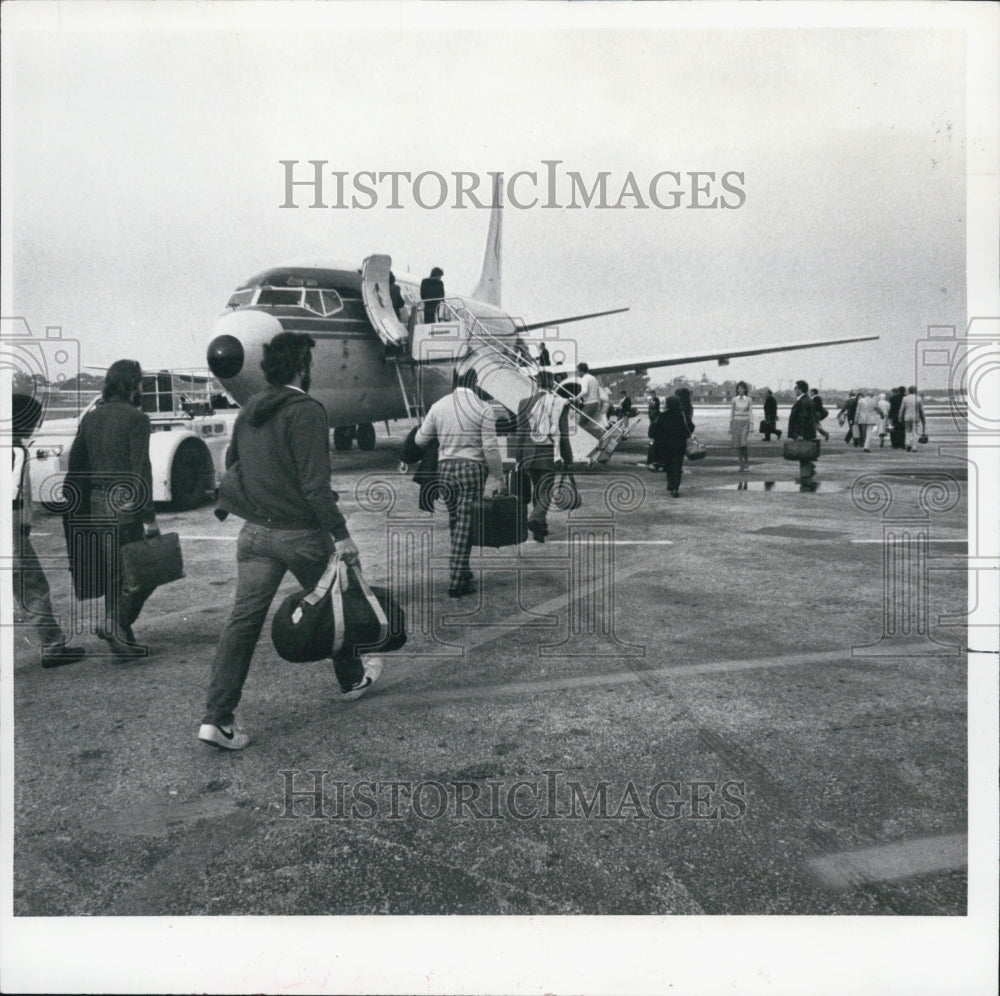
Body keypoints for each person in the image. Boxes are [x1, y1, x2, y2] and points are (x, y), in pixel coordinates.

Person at [202, 332, 376, 751]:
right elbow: (315, 486)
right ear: (302, 367)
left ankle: (216, 718)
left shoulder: (249, 411)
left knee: (242, 624)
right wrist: (341, 535)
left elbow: (234, 465)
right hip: (300, 534)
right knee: (340, 597)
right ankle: (351, 678)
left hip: (255, 535)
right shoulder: (306, 410)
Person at [67, 359, 160, 659]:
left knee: (114, 575)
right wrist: (149, 517)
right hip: (124, 503)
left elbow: (76, 464)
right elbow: (139, 470)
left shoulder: (91, 418)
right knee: (144, 574)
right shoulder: (136, 418)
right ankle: (115, 624)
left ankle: (123, 640)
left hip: (95, 503)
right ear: (131, 384)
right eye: (140, 381)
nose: (142, 387)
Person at [414, 366, 505, 597]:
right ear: (476, 384)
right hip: (471, 469)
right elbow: (491, 448)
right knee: (465, 524)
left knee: (456, 522)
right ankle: (456, 581)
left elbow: (420, 440)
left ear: (453, 382)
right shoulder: (483, 408)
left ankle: (463, 571)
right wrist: (499, 477)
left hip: (444, 470)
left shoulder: (439, 405)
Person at [11, 394, 87, 668]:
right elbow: (15, 497)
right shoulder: (14, 450)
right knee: (32, 586)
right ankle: (53, 646)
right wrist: (24, 525)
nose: (35, 426)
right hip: (10, 531)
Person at [510, 371, 573, 543]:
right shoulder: (559, 403)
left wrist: (518, 456)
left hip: (528, 455)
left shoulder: (524, 403)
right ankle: (535, 519)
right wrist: (568, 458)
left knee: (538, 488)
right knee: (545, 490)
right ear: (553, 384)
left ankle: (540, 530)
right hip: (548, 454)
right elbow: (564, 433)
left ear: (536, 383)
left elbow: (520, 432)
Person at [648, 396, 692, 498]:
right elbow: (689, 429)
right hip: (679, 446)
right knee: (677, 466)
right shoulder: (681, 416)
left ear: (668, 404)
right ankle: (675, 487)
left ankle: (671, 486)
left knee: (669, 466)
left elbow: (653, 432)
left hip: (665, 447)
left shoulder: (663, 416)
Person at [787, 379, 819, 487]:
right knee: (805, 454)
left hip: (803, 433)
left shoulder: (803, 401)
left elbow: (803, 419)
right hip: (808, 432)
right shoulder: (808, 400)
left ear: (800, 389)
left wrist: (800, 434)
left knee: (803, 455)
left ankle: (805, 477)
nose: (794, 390)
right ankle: (808, 472)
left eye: (795, 388)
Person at [729, 380, 753, 471]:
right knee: (737, 444)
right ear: (737, 390)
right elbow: (731, 413)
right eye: (739, 388)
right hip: (736, 422)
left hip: (745, 422)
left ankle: (746, 460)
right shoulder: (734, 400)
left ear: (745, 390)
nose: (740, 390)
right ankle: (741, 464)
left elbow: (751, 413)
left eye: (742, 388)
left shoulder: (749, 400)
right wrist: (730, 426)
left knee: (743, 443)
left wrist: (751, 425)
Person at [575, 363, 602, 427]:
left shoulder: (584, 378)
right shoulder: (593, 378)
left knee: (581, 424)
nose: (577, 373)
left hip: (589, 404)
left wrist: (576, 398)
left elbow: (584, 391)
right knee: (589, 423)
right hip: (596, 403)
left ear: (581, 371)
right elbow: (598, 393)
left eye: (577, 371)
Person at [900, 385, 926, 451]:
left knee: (907, 431)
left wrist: (900, 417)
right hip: (916, 417)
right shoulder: (919, 398)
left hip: (907, 417)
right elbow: (921, 410)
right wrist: (923, 419)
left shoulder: (905, 398)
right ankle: (914, 447)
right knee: (915, 432)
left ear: (909, 391)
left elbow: (902, 409)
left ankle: (907, 443)